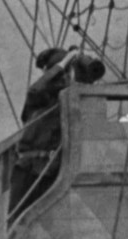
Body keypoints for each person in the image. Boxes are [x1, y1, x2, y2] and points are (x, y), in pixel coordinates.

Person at [9, 47, 106, 217]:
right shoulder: (39, 99)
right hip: (28, 169)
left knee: (47, 219)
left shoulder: (69, 99)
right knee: (17, 218)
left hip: (52, 170)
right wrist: (64, 63)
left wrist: (88, 66)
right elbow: (35, 90)